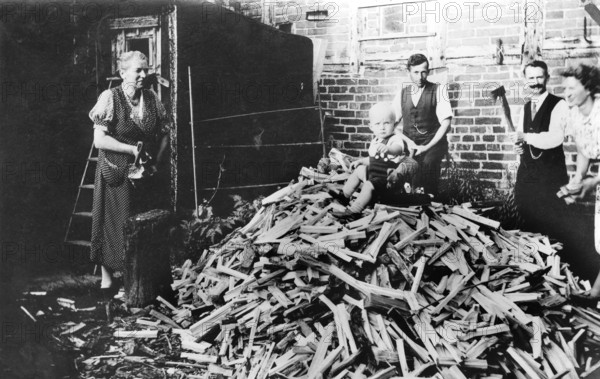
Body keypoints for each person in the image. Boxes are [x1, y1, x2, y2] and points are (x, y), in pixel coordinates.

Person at [89, 51, 171, 297]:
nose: (144, 75)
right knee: (113, 223)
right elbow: (99, 140)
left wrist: (155, 161)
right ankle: (107, 281)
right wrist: (131, 149)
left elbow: (166, 131)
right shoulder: (110, 97)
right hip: (114, 169)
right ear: (123, 73)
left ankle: (136, 280)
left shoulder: (152, 98)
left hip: (143, 172)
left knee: (141, 223)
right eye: (138, 70)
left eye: (146, 70)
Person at [510, 60, 569, 238]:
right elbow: (521, 137)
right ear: (525, 80)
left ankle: (555, 261)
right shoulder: (526, 107)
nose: (535, 82)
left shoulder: (559, 104)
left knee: (551, 223)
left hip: (550, 176)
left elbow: (555, 138)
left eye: (539, 77)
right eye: (531, 78)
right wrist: (518, 148)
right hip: (528, 175)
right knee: (528, 221)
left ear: (547, 78)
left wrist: (526, 138)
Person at [331, 102, 418, 215]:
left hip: (387, 180)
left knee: (368, 185)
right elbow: (373, 159)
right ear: (371, 127)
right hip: (375, 175)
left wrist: (388, 149)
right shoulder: (375, 141)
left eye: (386, 123)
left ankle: (355, 210)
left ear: (395, 125)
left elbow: (398, 150)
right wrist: (360, 161)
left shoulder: (394, 139)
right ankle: (344, 196)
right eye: (377, 124)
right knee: (359, 170)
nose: (382, 127)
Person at [561, 63, 600, 298]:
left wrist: (592, 183)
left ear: (588, 87)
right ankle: (596, 293)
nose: (566, 93)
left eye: (572, 88)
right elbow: (584, 151)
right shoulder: (575, 114)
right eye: (565, 88)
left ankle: (596, 293)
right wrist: (576, 180)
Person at [392, 53, 453, 196]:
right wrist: (408, 142)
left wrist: (426, 147)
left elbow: (446, 124)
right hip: (410, 146)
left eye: (424, 72)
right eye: (416, 72)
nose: (420, 77)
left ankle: (430, 204)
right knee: (404, 171)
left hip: (432, 145)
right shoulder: (402, 93)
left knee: (428, 164)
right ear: (409, 72)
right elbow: (392, 124)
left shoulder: (438, 90)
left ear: (428, 72)